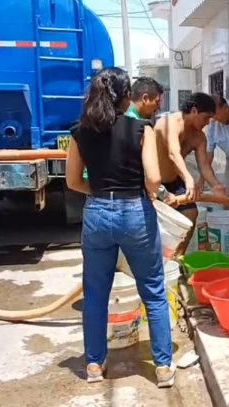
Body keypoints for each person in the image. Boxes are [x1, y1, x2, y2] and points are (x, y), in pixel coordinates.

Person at [65, 67, 175, 388]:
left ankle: (94, 365)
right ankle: (163, 368)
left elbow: (73, 181)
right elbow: (153, 179)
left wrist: (101, 193)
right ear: (126, 97)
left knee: (95, 294)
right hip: (135, 213)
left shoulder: (80, 132)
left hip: (97, 213)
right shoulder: (141, 128)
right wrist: (154, 194)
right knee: (153, 291)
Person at [153, 92, 226, 251]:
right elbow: (173, 153)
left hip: (174, 180)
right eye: (206, 117)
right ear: (194, 111)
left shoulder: (199, 137)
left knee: (191, 213)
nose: (207, 123)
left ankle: (178, 256)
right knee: (156, 223)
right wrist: (188, 179)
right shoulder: (169, 123)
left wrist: (216, 185)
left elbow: (204, 165)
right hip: (154, 182)